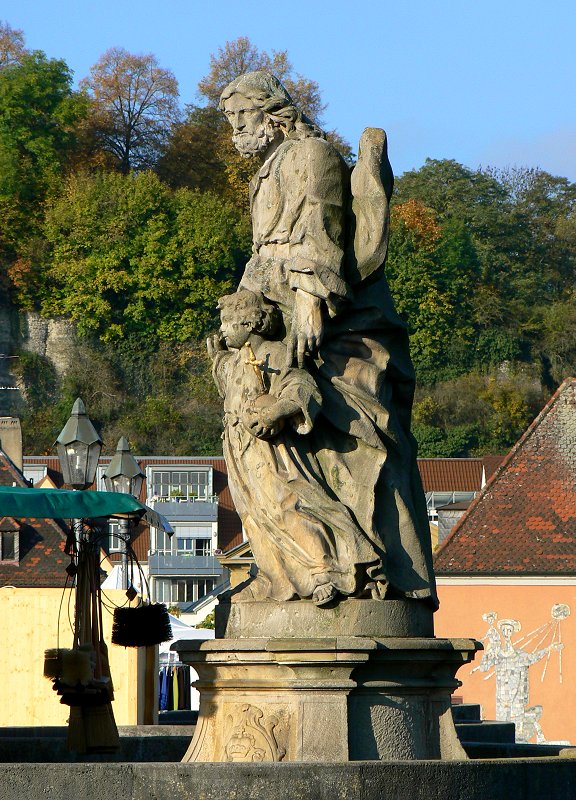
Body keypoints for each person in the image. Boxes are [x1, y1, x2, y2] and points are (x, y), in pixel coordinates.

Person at [218, 71, 437, 607]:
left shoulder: (309, 154)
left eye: (241, 118)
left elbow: (323, 231)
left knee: (345, 437)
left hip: (327, 315)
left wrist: (310, 306)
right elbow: (262, 253)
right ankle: (288, 566)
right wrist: (241, 317)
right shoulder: (268, 171)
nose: (236, 132)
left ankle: (353, 565)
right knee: (255, 439)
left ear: (271, 111)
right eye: (231, 122)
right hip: (276, 310)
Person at [208, 289, 382, 605]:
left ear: (250, 322)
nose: (221, 330)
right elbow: (229, 387)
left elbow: (302, 386)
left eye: (227, 322)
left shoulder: (274, 354)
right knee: (253, 516)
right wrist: (217, 357)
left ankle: (323, 572)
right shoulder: (235, 362)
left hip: (271, 451)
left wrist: (277, 410)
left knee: (287, 505)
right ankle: (273, 578)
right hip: (238, 449)